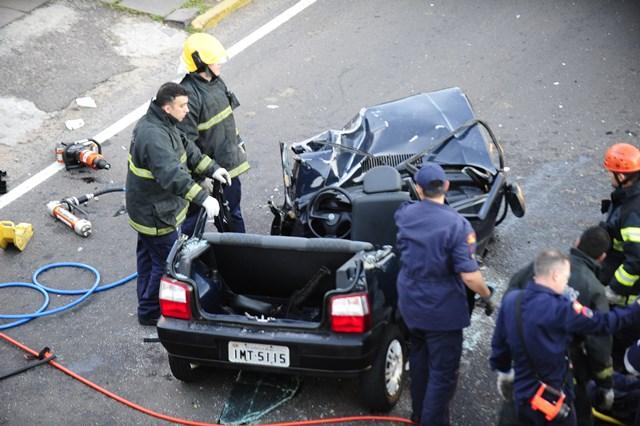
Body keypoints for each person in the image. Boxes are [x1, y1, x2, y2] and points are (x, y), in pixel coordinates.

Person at [394, 162, 495, 426]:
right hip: (442, 313)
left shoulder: (405, 215)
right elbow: (469, 275)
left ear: (418, 188)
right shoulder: (458, 226)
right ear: (447, 186)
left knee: (419, 362)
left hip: (411, 307)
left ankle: (418, 416)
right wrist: (486, 295)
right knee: (443, 375)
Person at [490, 249, 640, 425]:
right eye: (565, 278)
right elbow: (604, 324)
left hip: (521, 395)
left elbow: (499, 346)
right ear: (554, 275)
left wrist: (505, 372)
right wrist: (636, 308)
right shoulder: (562, 309)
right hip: (552, 401)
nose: (566, 283)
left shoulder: (512, 301)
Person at [126, 82, 230, 326]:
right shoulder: (153, 136)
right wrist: (204, 199)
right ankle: (151, 311)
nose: (187, 110)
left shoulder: (165, 124)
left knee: (148, 258)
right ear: (166, 106)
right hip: (155, 215)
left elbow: (188, 150)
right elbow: (172, 174)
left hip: (148, 209)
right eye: (182, 105)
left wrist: (212, 169)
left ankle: (145, 302)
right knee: (167, 263)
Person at [505, 227, 613, 425]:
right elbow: (599, 345)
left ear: (576, 242)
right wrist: (605, 384)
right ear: (601, 257)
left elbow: (512, 296)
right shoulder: (594, 289)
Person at [178, 33, 249, 235]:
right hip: (211, 171)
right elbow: (186, 141)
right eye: (214, 61)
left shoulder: (216, 82)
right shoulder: (189, 96)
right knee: (196, 221)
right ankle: (186, 260)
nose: (219, 64)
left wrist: (237, 144)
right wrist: (202, 178)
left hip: (227, 166)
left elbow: (225, 121)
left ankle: (238, 256)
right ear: (201, 64)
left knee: (231, 214)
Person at [599, 143, 640, 369]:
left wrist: (614, 289)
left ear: (622, 175)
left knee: (618, 349)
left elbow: (636, 262)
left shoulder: (632, 212)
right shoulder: (629, 198)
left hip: (627, 300)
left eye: (610, 173)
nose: (609, 176)